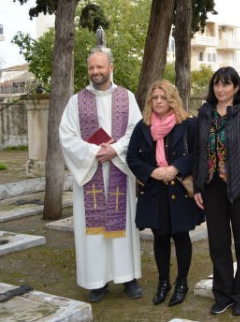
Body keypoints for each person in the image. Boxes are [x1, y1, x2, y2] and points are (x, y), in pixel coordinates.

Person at [59, 49, 143, 302]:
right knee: (93, 230)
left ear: (111, 67)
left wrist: (115, 150)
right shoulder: (76, 101)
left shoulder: (127, 98)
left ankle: (128, 277)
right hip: (90, 174)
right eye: (91, 68)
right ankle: (97, 281)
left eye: (100, 67)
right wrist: (96, 151)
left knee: (123, 227)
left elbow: (137, 132)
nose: (95, 72)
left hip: (119, 170)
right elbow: (66, 136)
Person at [192, 66, 240, 317]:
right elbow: (199, 152)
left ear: (236, 87)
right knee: (218, 244)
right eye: (217, 84)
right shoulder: (205, 114)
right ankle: (222, 294)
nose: (220, 89)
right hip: (212, 188)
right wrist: (197, 186)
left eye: (226, 84)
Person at [126, 80, 205, 306]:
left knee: (180, 236)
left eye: (163, 97)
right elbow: (132, 157)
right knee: (160, 237)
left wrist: (176, 167)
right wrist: (153, 172)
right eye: (155, 98)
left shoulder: (188, 124)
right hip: (155, 191)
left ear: (172, 99)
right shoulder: (143, 127)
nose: (159, 101)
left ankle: (181, 282)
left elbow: (199, 153)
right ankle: (164, 282)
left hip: (180, 191)